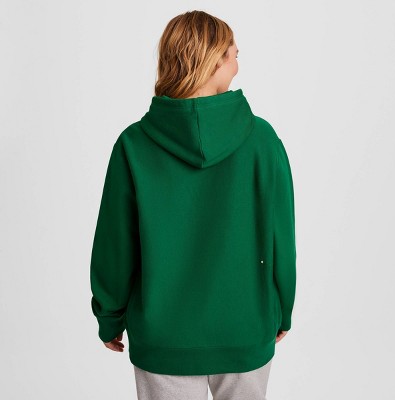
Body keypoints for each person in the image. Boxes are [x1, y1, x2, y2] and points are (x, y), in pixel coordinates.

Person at [90, 9, 296, 400]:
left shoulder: (133, 144)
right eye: (234, 54)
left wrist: (109, 315)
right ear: (215, 60)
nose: (238, 63)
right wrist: (283, 308)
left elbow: (115, 245)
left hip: (163, 337)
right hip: (245, 327)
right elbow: (281, 237)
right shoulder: (262, 141)